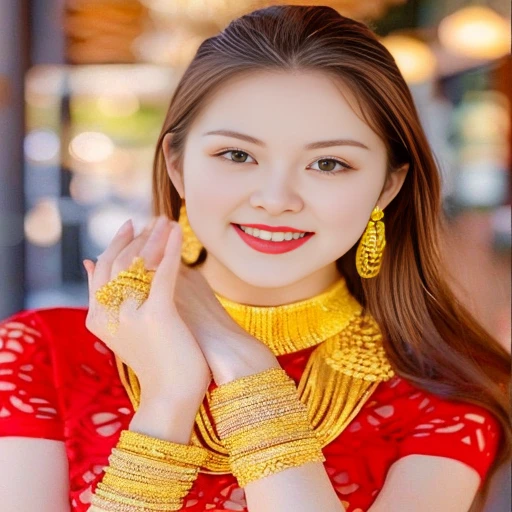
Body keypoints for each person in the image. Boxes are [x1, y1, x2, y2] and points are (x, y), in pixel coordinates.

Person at [0, 5, 510, 512]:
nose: (276, 197)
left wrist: (241, 362)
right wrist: (168, 400)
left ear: (387, 186)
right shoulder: (39, 353)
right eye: (238, 155)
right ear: (177, 165)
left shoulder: (443, 395)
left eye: (328, 163)